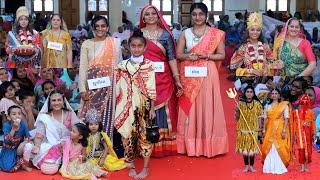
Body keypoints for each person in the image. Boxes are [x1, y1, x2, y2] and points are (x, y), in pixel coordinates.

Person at [176, 2, 228, 158]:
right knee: (190, 106)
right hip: (190, 73)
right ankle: (190, 144)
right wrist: (188, 56)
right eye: (194, 14)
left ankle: (208, 145)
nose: (197, 17)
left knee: (207, 104)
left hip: (207, 73)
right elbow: (178, 54)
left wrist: (206, 56)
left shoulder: (215, 33)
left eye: (200, 14)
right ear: (190, 16)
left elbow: (222, 55)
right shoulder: (185, 33)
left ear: (206, 16)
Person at [139, 5, 182, 157]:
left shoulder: (165, 35)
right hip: (143, 76)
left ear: (158, 16)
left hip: (163, 78)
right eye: (147, 14)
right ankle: (145, 144)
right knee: (144, 107)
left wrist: (176, 78)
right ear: (143, 18)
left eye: (153, 13)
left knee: (163, 110)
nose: (150, 16)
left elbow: (171, 57)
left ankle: (163, 146)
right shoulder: (138, 34)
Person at [115, 29, 156, 179]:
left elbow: (151, 87)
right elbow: (118, 87)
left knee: (145, 137)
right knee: (126, 136)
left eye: (140, 46)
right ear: (128, 46)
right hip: (125, 106)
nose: (136, 49)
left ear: (145, 48)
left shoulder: (149, 65)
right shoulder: (122, 65)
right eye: (133, 46)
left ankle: (145, 168)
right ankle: (130, 165)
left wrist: (152, 108)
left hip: (143, 106)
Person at [78, 15, 122, 138]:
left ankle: (106, 146)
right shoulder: (87, 44)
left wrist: (119, 88)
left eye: (103, 26)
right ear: (93, 28)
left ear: (107, 27)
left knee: (108, 116)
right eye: (97, 26)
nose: (100, 29)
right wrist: (82, 89)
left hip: (110, 87)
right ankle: (90, 147)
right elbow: (83, 68)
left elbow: (119, 67)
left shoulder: (114, 43)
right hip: (91, 89)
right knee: (92, 117)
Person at [23, 90, 80, 169]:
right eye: (54, 100)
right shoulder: (45, 116)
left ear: (63, 101)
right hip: (50, 144)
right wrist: (37, 146)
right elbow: (40, 135)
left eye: (59, 100)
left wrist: (67, 143)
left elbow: (77, 130)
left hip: (67, 144)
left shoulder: (69, 113)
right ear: (49, 102)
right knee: (34, 149)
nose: (56, 103)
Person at [261, 89, 291, 174]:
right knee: (269, 146)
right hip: (269, 129)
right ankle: (269, 167)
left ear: (279, 95)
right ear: (270, 95)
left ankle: (280, 167)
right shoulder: (267, 106)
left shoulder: (283, 105)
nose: (274, 95)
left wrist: (284, 130)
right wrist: (263, 129)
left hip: (280, 128)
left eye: (276, 93)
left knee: (280, 146)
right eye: (272, 93)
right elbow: (265, 118)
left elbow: (286, 118)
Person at [0, 105, 31, 172]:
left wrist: (23, 143)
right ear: (8, 117)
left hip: (19, 148)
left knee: (29, 146)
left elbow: (28, 136)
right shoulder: (6, 125)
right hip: (9, 149)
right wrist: (13, 129)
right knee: (7, 168)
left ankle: (24, 165)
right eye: (14, 114)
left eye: (19, 114)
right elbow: (7, 141)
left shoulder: (23, 124)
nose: (17, 116)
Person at [291, 94, 315, 172]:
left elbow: (312, 123)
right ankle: (302, 167)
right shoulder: (296, 112)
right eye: (302, 103)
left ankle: (306, 166)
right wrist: (294, 133)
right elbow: (294, 123)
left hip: (308, 134)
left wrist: (313, 132)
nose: (304, 104)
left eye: (306, 102)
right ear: (300, 103)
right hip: (300, 134)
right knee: (301, 150)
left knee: (308, 150)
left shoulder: (311, 112)